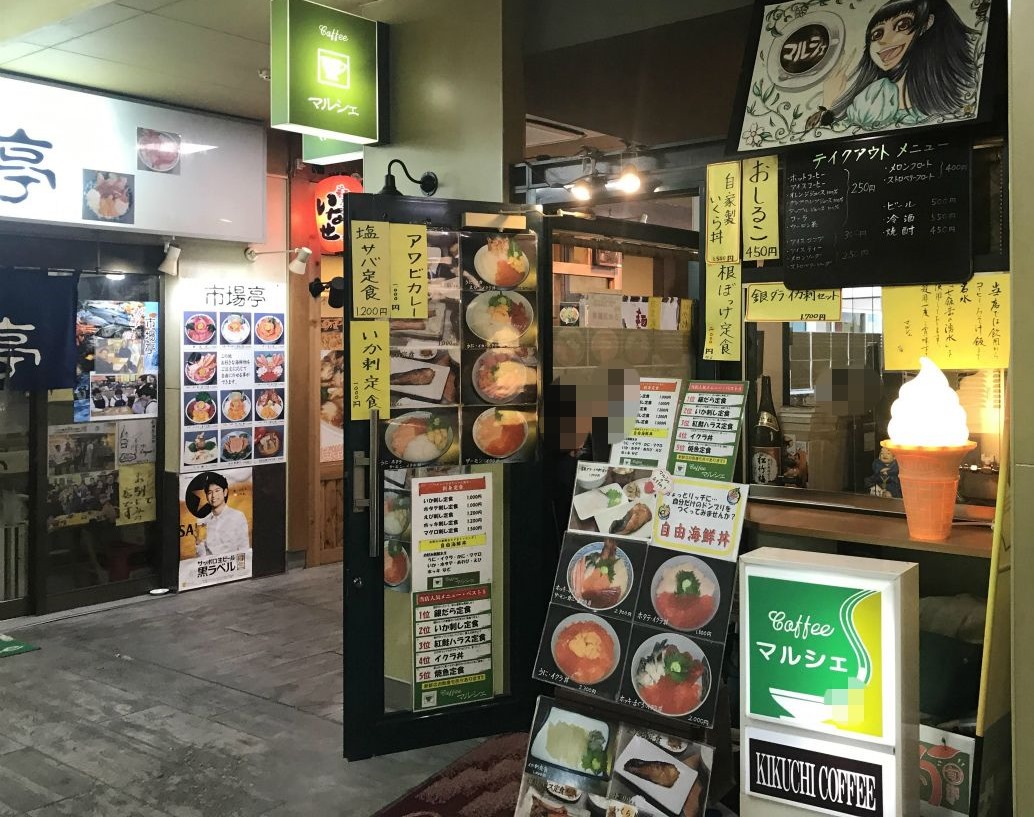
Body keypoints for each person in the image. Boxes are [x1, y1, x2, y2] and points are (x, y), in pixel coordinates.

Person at [807, 0, 977, 131]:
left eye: (902, 25)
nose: (883, 41)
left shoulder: (960, 91)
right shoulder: (876, 95)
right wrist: (827, 104)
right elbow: (836, 135)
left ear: (927, 24)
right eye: (877, 34)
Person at [198, 471, 250, 557]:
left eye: (217, 491)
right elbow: (201, 555)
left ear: (225, 492)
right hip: (211, 564)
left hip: (232, 563)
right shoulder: (204, 521)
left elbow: (244, 548)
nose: (213, 496)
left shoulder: (237, 516)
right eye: (210, 492)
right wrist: (198, 543)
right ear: (206, 496)